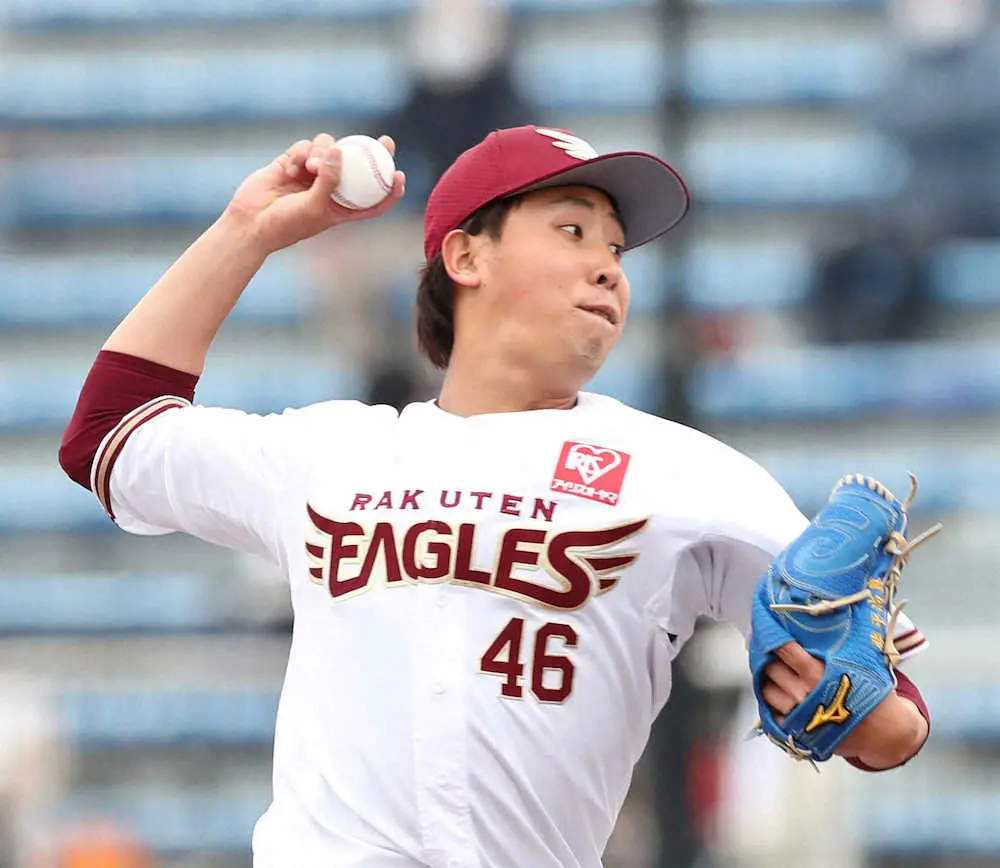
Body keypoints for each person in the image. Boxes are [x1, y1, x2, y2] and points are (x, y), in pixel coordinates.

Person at [59, 125, 931, 868]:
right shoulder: (332, 454)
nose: (608, 269)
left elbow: (887, 713)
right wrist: (247, 230)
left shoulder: (683, 472)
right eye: (573, 230)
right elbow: (107, 433)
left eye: (616, 249)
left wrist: (866, 715)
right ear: (466, 255)